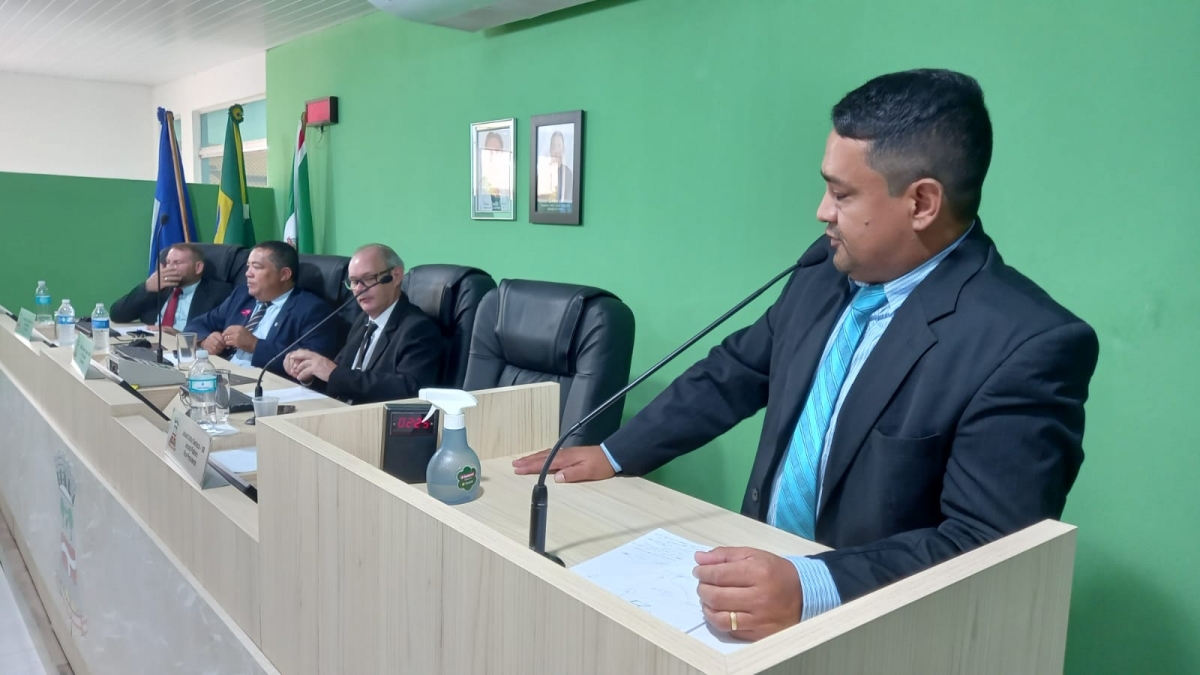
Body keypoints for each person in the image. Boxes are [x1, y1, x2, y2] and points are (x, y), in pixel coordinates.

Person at [513, 69, 1099, 641]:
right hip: (759, 593)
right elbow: (736, 371)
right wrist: (616, 452)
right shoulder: (825, 268)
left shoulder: (1028, 344)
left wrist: (812, 584)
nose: (822, 211)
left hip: (877, 627)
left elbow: (989, 545)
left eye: (841, 194)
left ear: (921, 202)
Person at [282, 244, 443, 404]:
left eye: (368, 278)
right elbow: (341, 376)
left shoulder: (418, 329)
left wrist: (332, 373)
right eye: (353, 281)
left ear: (396, 276)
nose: (359, 289)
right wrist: (310, 373)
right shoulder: (363, 320)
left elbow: (409, 389)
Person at [185, 240, 338, 375]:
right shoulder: (242, 295)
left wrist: (255, 345)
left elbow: (310, 365)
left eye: (257, 267)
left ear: (284, 274)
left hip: (267, 385)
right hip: (224, 373)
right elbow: (196, 324)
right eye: (248, 266)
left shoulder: (312, 310)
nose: (247, 273)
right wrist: (206, 340)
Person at [109, 243, 232, 330]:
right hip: (150, 345)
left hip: (185, 351)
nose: (170, 268)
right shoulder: (158, 288)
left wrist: (178, 335)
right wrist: (146, 287)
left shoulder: (219, 292)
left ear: (198, 267)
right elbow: (117, 315)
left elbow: (218, 333)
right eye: (168, 262)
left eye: (177, 263)